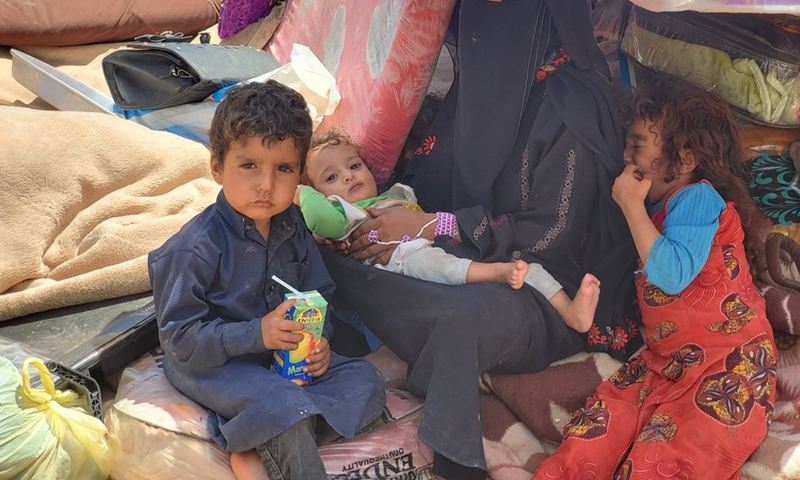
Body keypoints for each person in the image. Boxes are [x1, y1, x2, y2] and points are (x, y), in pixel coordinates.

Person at [317, 1, 643, 479]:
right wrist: (380, 224)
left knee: (460, 319)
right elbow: (431, 179)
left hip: (542, 289)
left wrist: (435, 226)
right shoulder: (489, 74)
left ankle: (454, 452)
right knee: (337, 255)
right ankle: (395, 334)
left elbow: (549, 235)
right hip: (459, 253)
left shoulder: (570, 105)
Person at [533, 82, 777, 479]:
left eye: (637, 146)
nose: (625, 158)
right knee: (597, 428)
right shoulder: (658, 211)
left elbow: (671, 274)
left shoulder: (699, 197)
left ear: (683, 159)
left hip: (730, 362)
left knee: (675, 456)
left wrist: (630, 203)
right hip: (667, 363)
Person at [148, 80, 385, 480]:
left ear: (299, 177)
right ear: (217, 166)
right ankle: (271, 434)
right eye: (249, 165)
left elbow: (320, 293)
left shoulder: (292, 227)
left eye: (284, 169)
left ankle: (262, 445)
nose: (266, 184)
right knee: (282, 405)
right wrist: (257, 334)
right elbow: (180, 338)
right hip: (213, 363)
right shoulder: (194, 248)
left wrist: (320, 341)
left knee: (365, 381)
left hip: (279, 361)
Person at [298, 128, 601, 333]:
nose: (349, 177)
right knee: (432, 267)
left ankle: (570, 310)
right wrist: (301, 195)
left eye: (354, 166)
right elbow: (327, 222)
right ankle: (494, 272)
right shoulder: (344, 215)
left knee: (528, 267)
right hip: (413, 268)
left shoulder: (394, 195)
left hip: (459, 246)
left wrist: (430, 224)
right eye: (332, 177)